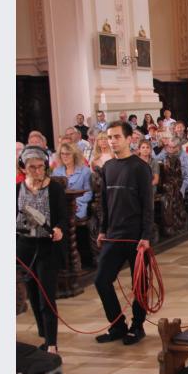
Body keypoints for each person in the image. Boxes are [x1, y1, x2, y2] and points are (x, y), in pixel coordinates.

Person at [94, 121, 154, 346]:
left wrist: (146, 236)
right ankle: (117, 325)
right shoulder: (108, 167)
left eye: (117, 137)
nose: (112, 141)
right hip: (113, 235)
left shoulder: (140, 167)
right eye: (109, 137)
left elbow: (147, 205)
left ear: (129, 139)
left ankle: (137, 326)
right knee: (101, 280)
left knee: (140, 284)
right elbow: (105, 202)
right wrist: (103, 229)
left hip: (136, 237)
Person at [16, 146, 68, 354]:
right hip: (25, 247)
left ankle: (52, 344)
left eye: (40, 167)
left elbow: (63, 217)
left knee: (46, 296)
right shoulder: (16, 189)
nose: (37, 171)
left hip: (48, 247)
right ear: (23, 168)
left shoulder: (54, 188)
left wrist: (59, 229)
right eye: (32, 167)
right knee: (33, 296)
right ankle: (45, 336)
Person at [52, 142, 93, 220]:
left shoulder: (85, 171)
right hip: (60, 207)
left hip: (79, 206)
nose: (65, 156)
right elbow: (54, 193)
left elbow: (89, 193)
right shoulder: (56, 171)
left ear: (74, 155)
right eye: (62, 154)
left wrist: (74, 202)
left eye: (68, 154)